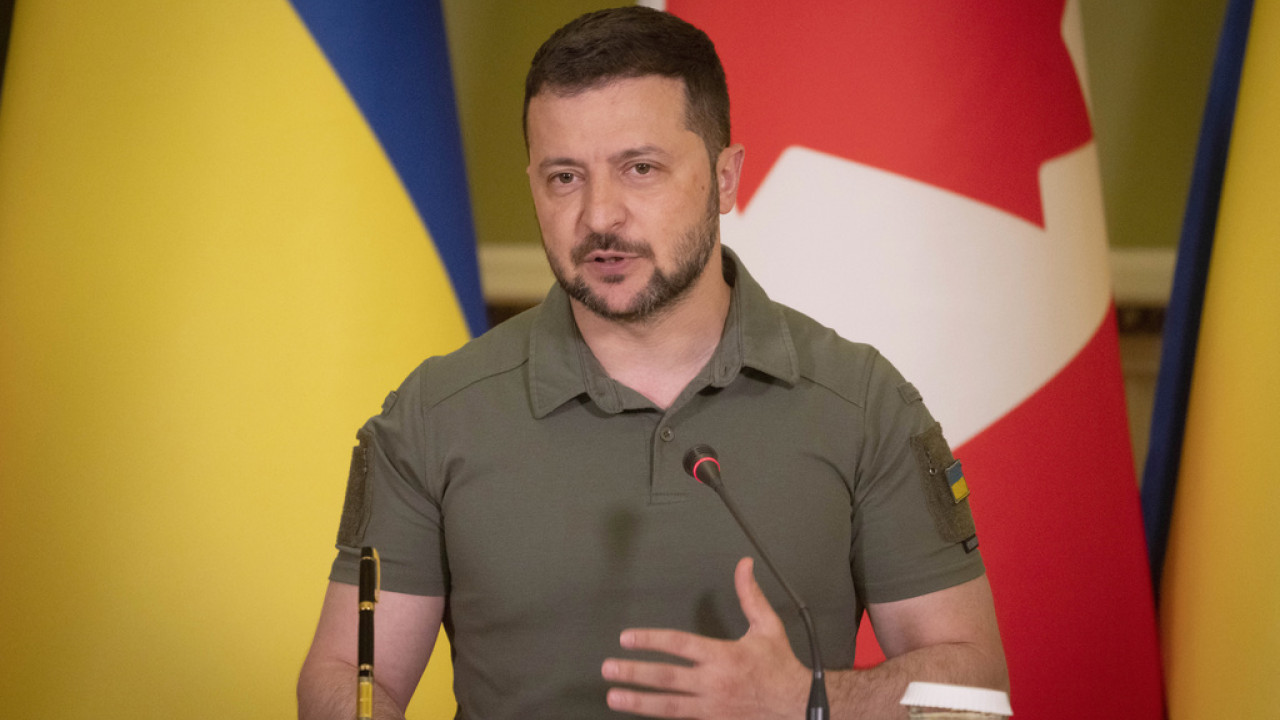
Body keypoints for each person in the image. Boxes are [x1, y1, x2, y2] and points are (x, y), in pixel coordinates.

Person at [298, 6, 1008, 719]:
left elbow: (973, 690)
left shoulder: (863, 404)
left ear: (725, 179)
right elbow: (346, 674)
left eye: (640, 169)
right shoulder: (434, 413)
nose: (599, 216)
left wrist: (808, 700)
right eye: (564, 178)